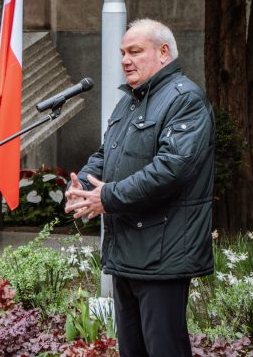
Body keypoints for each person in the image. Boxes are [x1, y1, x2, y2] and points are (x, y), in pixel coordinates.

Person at [65, 18, 214, 356]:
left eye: (135, 51)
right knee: (132, 350)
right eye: (122, 53)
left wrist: (106, 197)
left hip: (164, 253)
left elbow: (171, 169)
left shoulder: (185, 99)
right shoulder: (129, 101)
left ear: (164, 52)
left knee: (164, 349)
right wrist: (82, 185)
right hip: (126, 251)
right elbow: (106, 154)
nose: (125, 60)